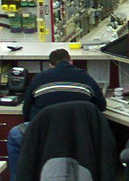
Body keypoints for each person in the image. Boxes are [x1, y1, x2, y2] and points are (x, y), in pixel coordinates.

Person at [7, 48, 107, 181]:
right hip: (79, 134)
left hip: (45, 135)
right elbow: (101, 106)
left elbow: (26, 110)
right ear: (71, 61)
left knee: (14, 135)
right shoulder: (85, 76)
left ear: (50, 65)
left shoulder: (39, 78)